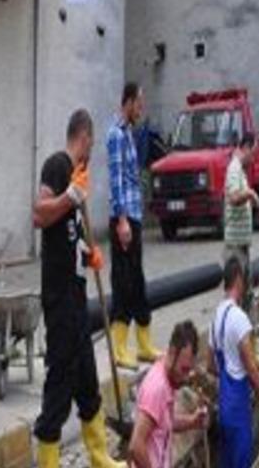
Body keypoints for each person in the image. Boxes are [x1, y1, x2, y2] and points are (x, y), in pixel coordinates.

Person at [31, 109, 124, 468]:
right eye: (91, 145)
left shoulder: (78, 180)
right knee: (61, 377)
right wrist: (69, 196)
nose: (90, 153)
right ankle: (49, 461)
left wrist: (89, 253)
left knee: (86, 377)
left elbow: (69, 234)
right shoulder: (58, 165)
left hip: (76, 295)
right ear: (83, 138)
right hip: (59, 297)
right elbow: (39, 214)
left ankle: (100, 456)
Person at [207, 257, 259, 468]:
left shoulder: (215, 318)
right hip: (238, 410)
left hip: (223, 407)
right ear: (239, 279)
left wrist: (228, 372)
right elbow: (250, 368)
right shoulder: (239, 318)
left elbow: (211, 365)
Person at [107, 82, 161, 369]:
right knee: (123, 282)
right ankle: (118, 349)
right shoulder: (116, 134)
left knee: (137, 281)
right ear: (127, 102)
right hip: (124, 219)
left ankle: (144, 345)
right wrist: (122, 220)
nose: (141, 109)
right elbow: (116, 180)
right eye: (138, 104)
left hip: (134, 217)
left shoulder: (128, 132)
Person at [129, 320, 210, 468]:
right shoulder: (157, 388)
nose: (186, 377)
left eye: (189, 370)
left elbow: (164, 423)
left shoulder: (168, 378)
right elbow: (136, 446)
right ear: (172, 352)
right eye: (183, 369)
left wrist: (192, 422)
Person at [222, 133, 259, 304]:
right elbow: (233, 197)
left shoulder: (239, 170)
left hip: (241, 244)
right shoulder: (234, 168)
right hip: (235, 246)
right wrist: (250, 194)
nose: (253, 159)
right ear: (245, 148)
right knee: (235, 294)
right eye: (253, 153)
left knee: (244, 293)